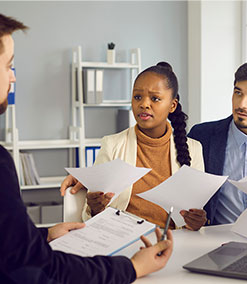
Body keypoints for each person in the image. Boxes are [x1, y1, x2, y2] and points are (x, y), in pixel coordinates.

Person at [0, 13, 173, 284]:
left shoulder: (192, 147)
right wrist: (131, 268)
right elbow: (39, 265)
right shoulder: (1, 163)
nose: (13, 78)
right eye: (9, 66)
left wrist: (43, 235)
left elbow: (10, 244)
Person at [61, 62, 207, 231]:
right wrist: (95, 208)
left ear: (172, 105)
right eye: (138, 97)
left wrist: (195, 222)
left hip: (172, 242)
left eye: (155, 99)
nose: (144, 104)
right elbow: (90, 215)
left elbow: (193, 218)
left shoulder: (194, 149)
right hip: (122, 240)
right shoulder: (112, 145)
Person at [188, 60, 247, 227]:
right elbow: (186, 195)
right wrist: (193, 217)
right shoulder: (201, 136)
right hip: (215, 241)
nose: (241, 104)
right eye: (238, 93)